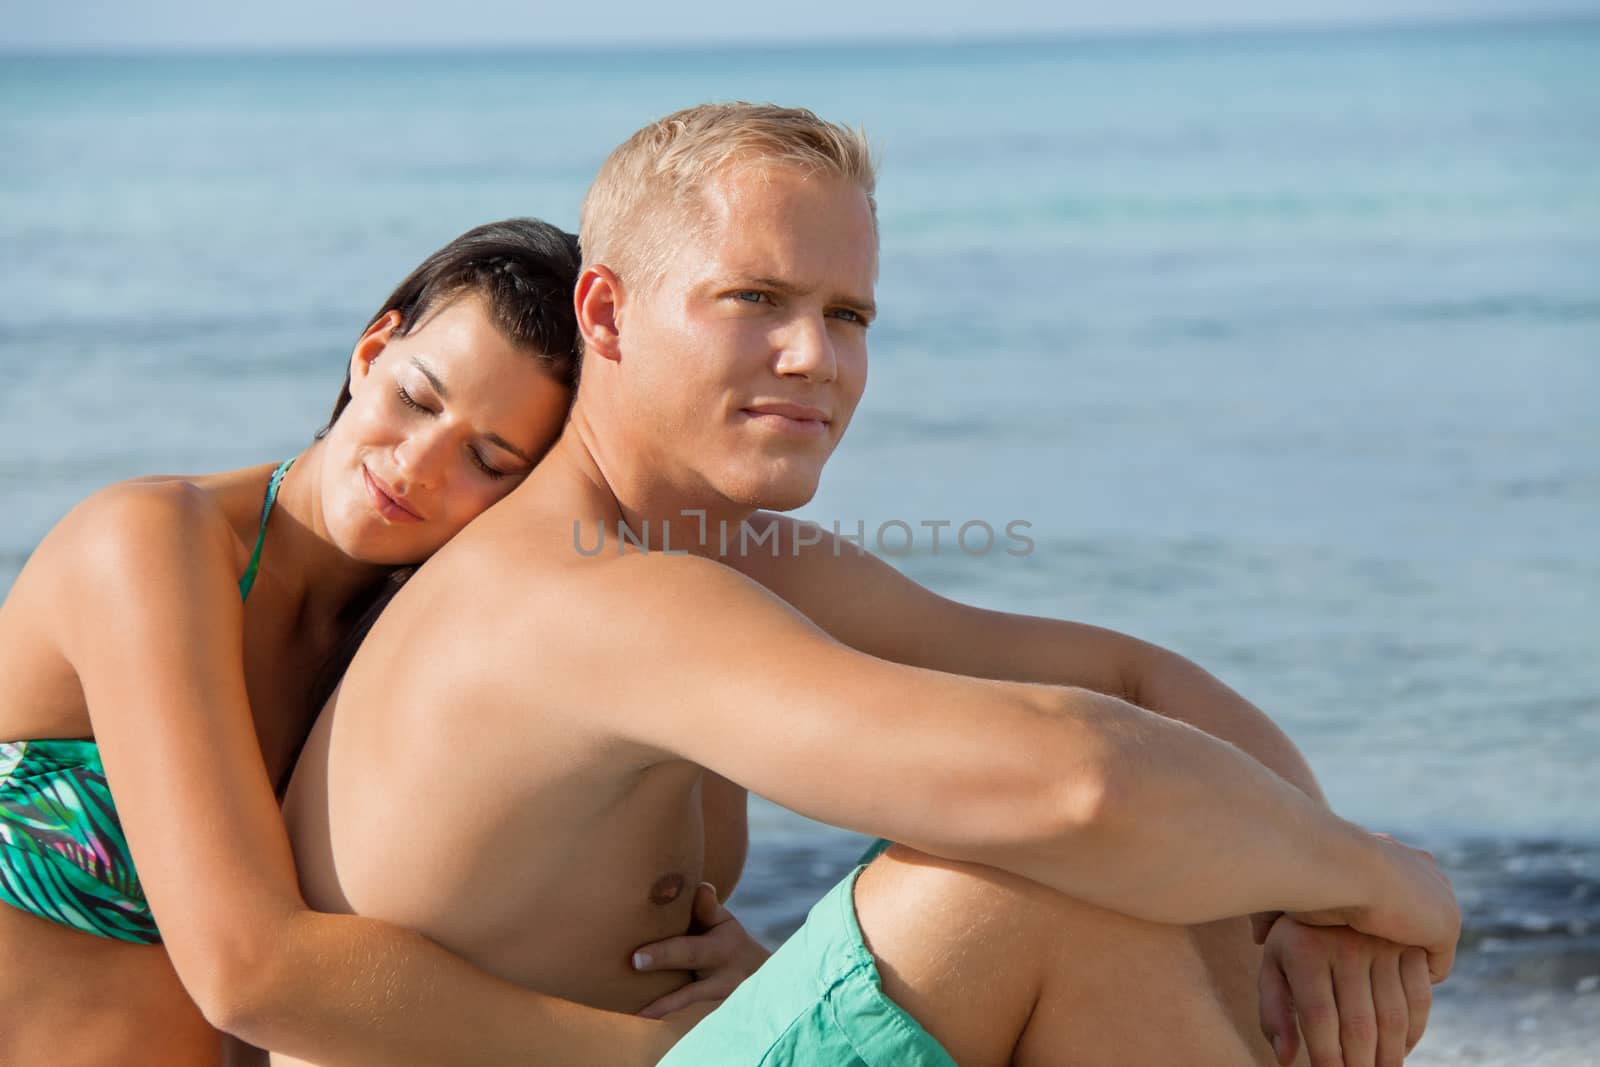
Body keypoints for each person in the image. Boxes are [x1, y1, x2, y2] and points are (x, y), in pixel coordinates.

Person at [279, 103, 1459, 1067]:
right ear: (607, 312)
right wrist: (1384, 880)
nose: (816, 358)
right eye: (754, 300)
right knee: (1021, 883)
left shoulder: (711, 548)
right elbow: (1079, 783)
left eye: (846, 315)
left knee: (1180, 864)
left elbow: (1124, 679)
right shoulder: (586, 589)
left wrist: (1322, 896)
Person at [0, 219, 718, 1066]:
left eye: (488, 460)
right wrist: (660, 1055)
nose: (417, 465)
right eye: (416, 398)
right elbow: (247, 974)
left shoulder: (427, 646)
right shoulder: (147, 544)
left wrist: (723, 963)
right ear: (373, 349)